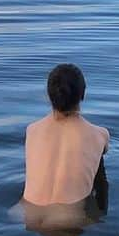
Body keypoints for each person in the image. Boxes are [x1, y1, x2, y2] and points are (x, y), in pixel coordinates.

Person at [22, 63, 110, 213]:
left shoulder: (31, 130)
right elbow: (100, 181)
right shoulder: (100, 135)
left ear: (48, 96)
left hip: (26, 212)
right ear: (82, 95)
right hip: (68, 219)